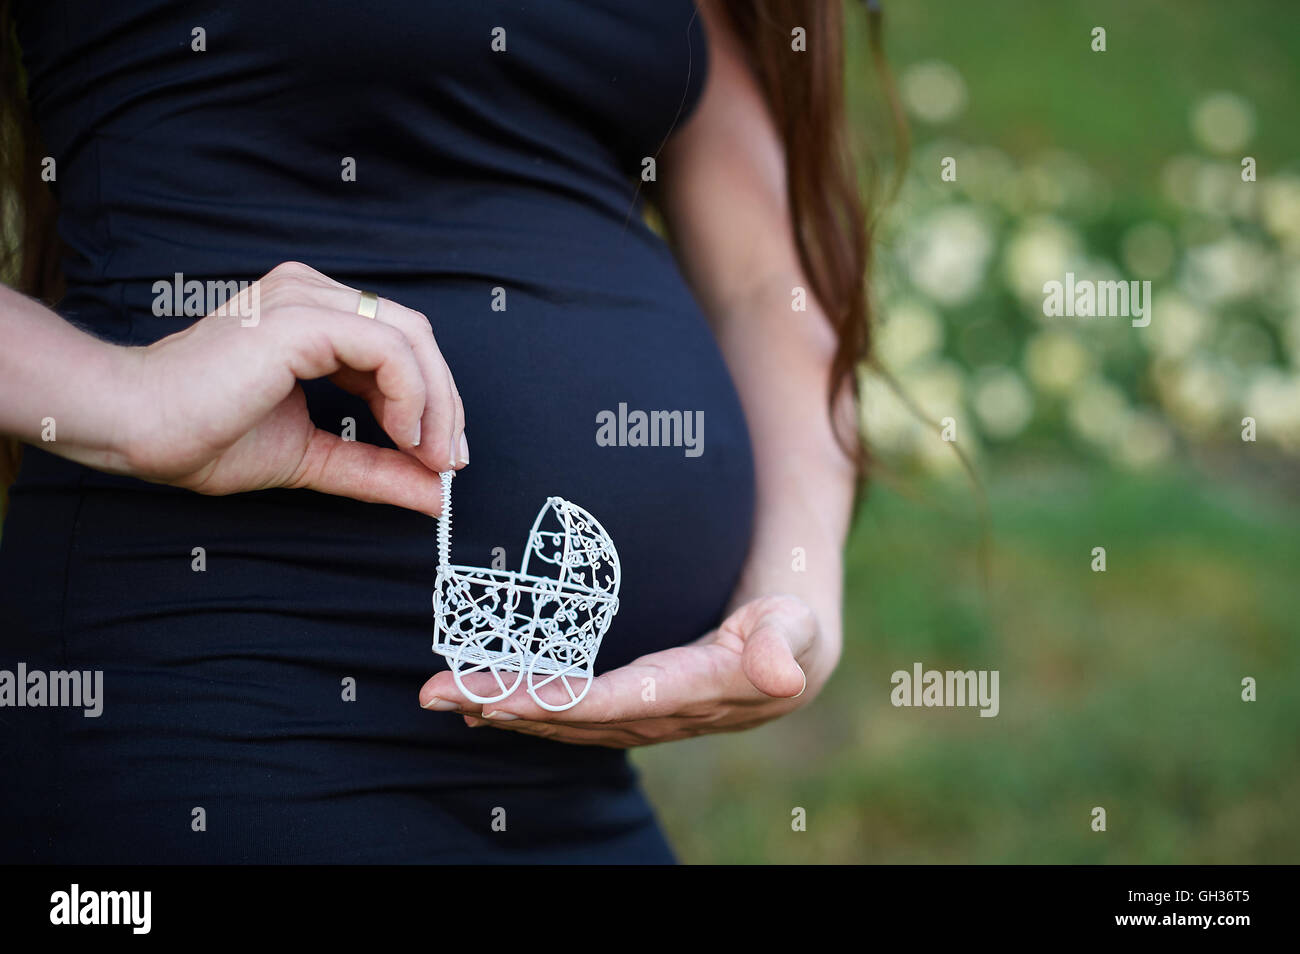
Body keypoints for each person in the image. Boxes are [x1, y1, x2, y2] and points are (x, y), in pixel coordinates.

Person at [0, 0, 873, 862]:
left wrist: (793, 599)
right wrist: (123, 397)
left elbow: (768, 281)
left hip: (572, 785)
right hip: (235, 703)